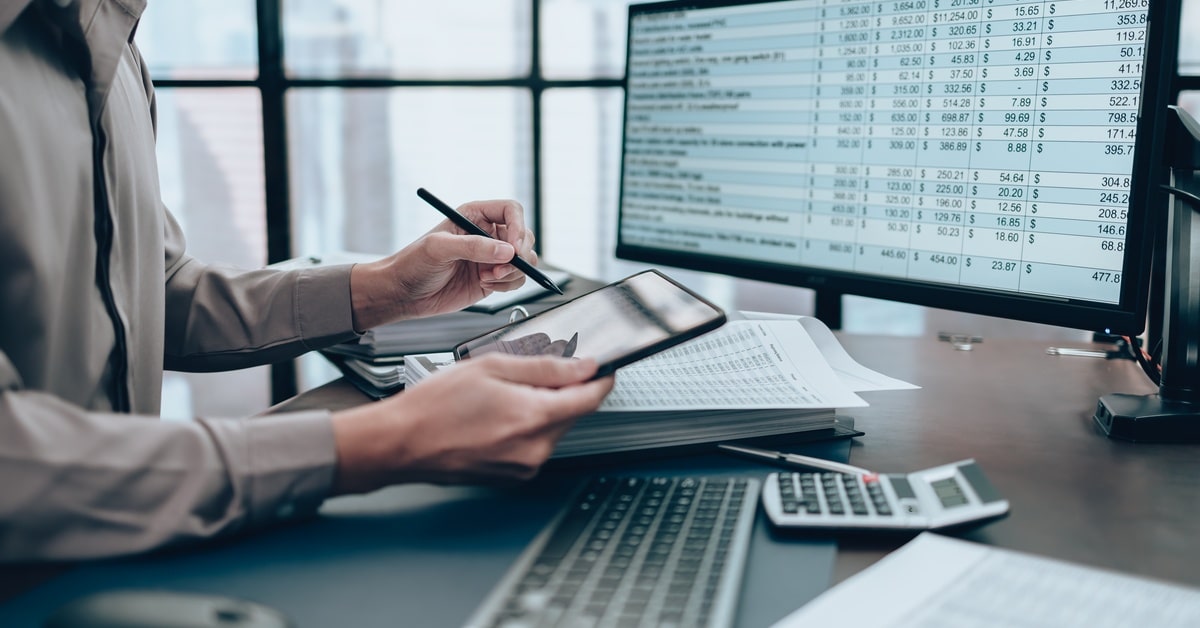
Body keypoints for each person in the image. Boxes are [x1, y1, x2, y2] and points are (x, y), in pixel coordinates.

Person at [0, 0, 614, 561]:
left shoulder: (111, 43)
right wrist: (384, 440)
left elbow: (150, 293)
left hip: (132, 548)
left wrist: (388, 287)